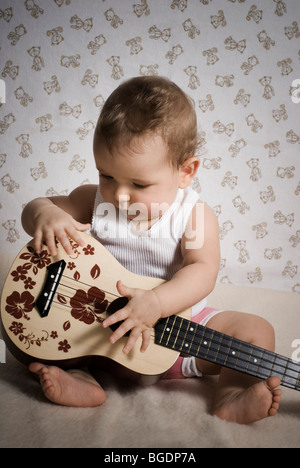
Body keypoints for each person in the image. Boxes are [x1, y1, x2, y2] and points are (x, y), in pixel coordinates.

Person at [22, 76, 281, 424]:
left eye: (139, 184)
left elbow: (202, 271)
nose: (119, 194)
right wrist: (45, 213)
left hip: (178, 333)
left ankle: (232, 393)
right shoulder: (92, 200)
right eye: (107, 176)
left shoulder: (194, 216)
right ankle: (84, 379)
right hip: (98, 334)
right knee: (37, 331)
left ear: (185, 172)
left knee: (256, 331)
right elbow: (35, 208)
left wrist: (157, 302)